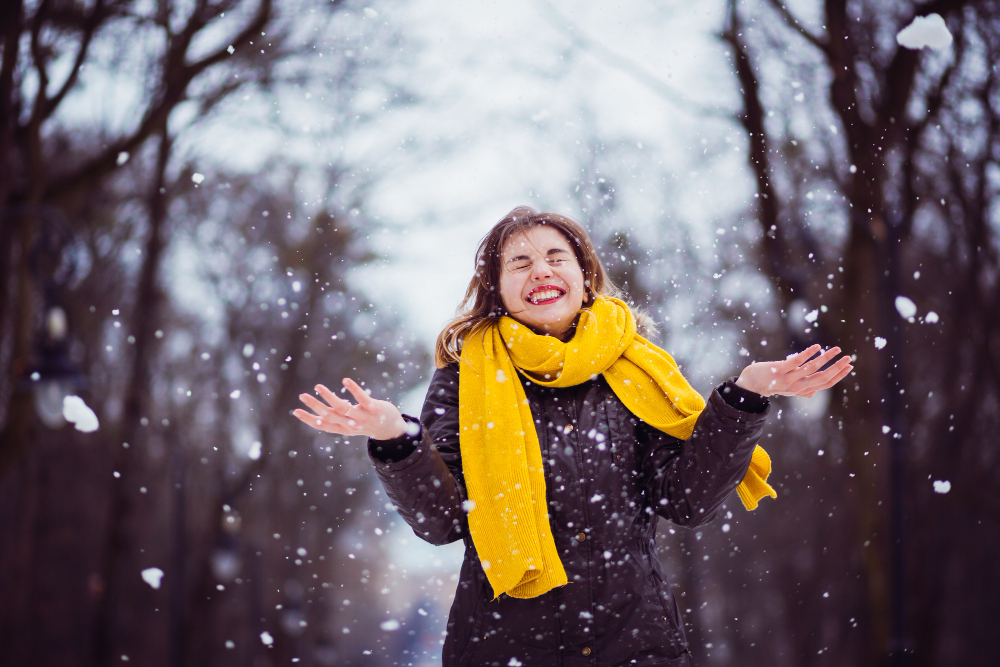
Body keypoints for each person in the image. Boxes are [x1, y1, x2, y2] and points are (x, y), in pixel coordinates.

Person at [294, 206, 853, 666]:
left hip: (633, 646)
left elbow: (686, 500)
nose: (541, 270)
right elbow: (442, 521)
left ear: (584, 276)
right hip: (503, 648)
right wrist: (396, 439)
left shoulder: (636, 368)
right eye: (520, 263)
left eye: (556, 257)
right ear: (496, 290)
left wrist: (743, 397)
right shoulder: (465, 377)